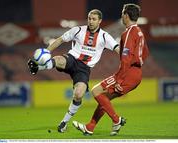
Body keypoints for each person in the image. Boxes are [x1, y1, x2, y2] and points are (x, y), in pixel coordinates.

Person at [27, 9, 120, 133]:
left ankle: (64, 122)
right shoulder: (78, 30)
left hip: (84, 69)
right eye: (89, 18)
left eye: (94, 19)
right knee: (59, 59)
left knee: (78, 95)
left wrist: (129, 61)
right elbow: (60, 39)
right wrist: (47, 51)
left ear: (100, 21)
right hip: (72, 59)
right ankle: (39, 67)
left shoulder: (104, 36)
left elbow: (117, 48)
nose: (91, 21)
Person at [72, 3, 149, 136]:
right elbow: (145, 53)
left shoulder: (129, 33)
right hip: (136, 73)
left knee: (95, 91)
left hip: (127, 73)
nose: (121, 16)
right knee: (104, 99)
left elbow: (125, 59)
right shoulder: (139, 32)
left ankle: (116, 119)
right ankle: (90, 127)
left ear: (126, 15)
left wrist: (119, 79)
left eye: (122, 13)